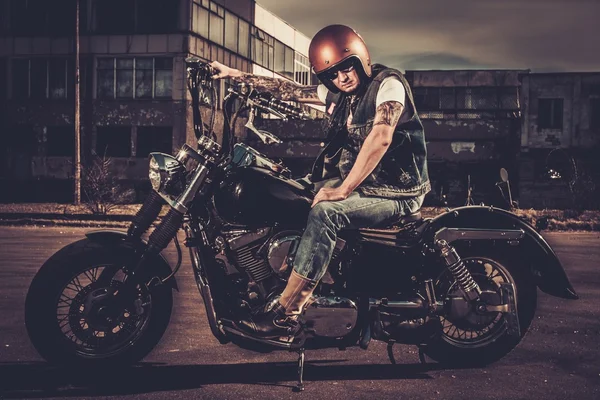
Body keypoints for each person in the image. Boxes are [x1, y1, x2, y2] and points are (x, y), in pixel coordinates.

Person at [210, 24, 430, 339]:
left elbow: (381, 137)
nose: (342, 77)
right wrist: (233, 73)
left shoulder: (388, 85)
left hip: (395, 192)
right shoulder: (339, 95)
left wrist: (343, 189)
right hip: (360, 186)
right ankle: (281, 277)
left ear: (361, 60)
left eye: (347, 67)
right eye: (333, 74)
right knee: (287, 193)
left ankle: (286, 313)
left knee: (327, 213)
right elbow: (285, 88)